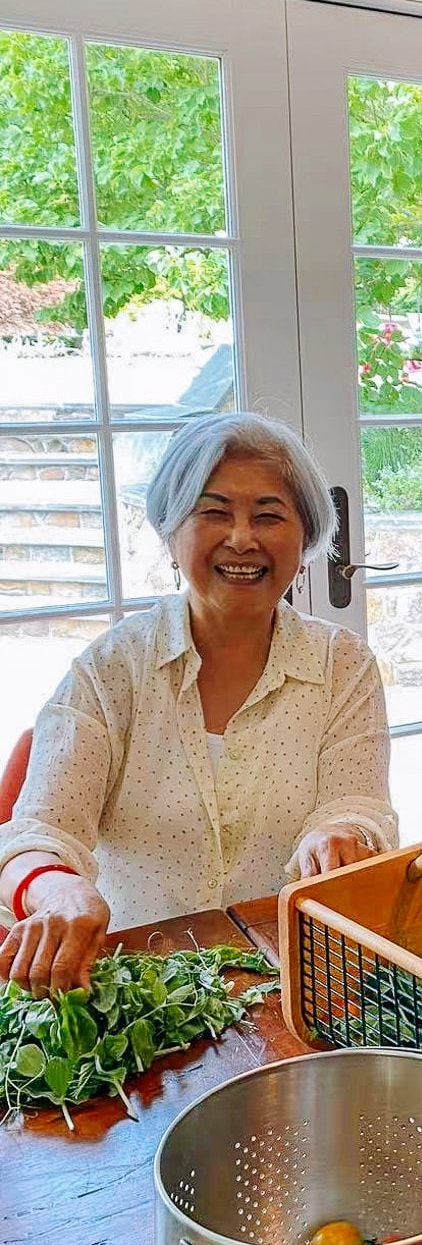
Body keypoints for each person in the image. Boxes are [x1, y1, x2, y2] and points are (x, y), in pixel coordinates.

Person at [0, 412, 397, 996]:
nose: (242, 538)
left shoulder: (343, 667)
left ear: (305, 539)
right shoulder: (111, 671)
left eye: (269, 515)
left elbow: (359, 804)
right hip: (135, 989)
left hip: (291, 984)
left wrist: (339, 833)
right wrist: (59, 888)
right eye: (213, 512)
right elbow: (37, 832)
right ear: (170, 531)